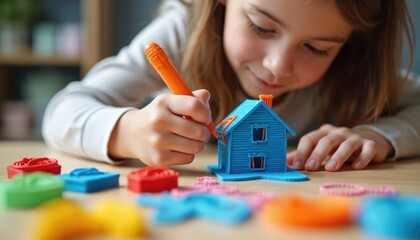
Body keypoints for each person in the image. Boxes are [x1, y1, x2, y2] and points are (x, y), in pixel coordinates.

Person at [42, 0, 419, 172]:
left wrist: (379, 135)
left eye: (317, 48)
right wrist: (127, 132)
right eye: (261, 27)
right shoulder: (182, 33)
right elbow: (62, 110)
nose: (277, 66)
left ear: (351, 43)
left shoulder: (355, 68)